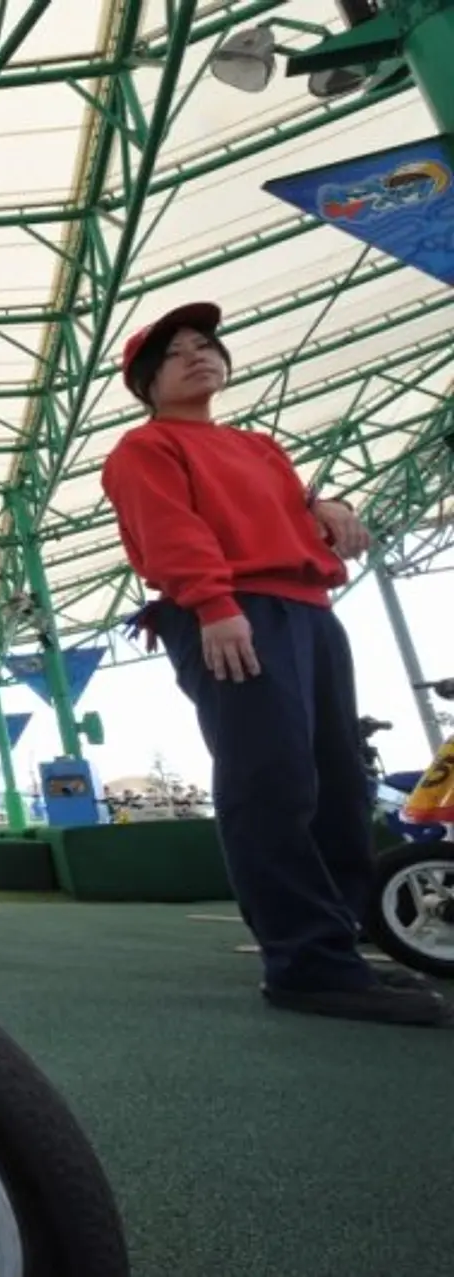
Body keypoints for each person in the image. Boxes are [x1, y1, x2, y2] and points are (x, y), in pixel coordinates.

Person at [101, 301, 447, 1028]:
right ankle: (305, 964)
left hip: (311, 611)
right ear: (146, 381)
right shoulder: (145, 447)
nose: (199, 354)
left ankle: (339, 942)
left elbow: (290, 504)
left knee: (339, 781)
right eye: (176, 352)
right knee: (272, 782)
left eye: (206, 344)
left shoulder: (259, 446)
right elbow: (169, 529)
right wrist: (212, 603)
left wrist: (329, 502)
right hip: (234, 611)